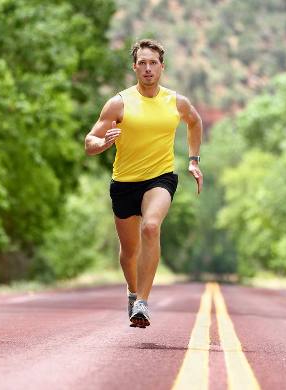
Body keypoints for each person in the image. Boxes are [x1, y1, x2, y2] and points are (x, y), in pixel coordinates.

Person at [84, 39, 203, 328]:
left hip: (160, 177)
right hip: (124, 181)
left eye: (153, 63)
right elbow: (89, 142)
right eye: (142, 63)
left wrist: (193, 159)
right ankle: (132, 291)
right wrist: (103, 143)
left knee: (151, 227)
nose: (148, 68)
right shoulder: (119, 102)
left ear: (162, 67)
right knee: (129, 252)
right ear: (134, 67)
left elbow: (195, 122)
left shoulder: (176, 102)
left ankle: (142, 303)